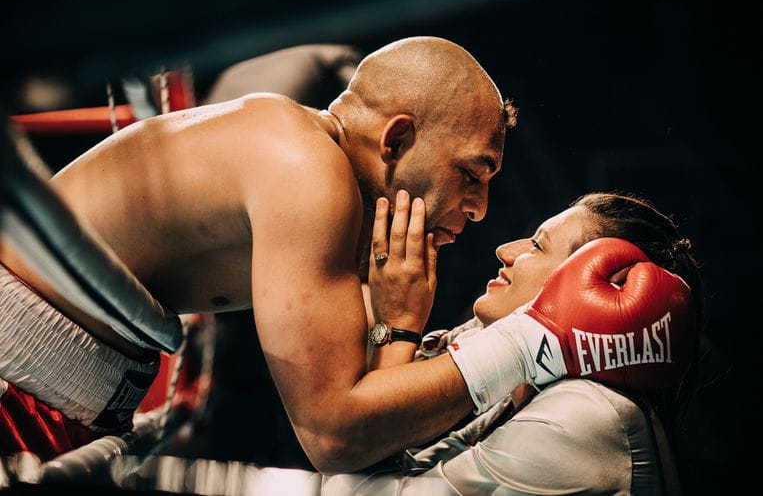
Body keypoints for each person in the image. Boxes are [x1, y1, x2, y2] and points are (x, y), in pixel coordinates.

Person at [0, 36, 515, 469]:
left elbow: (373, 413)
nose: (479, 209)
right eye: (470, 173)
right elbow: (336, 436)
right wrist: (523, 347)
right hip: (20, 375)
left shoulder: (323, 194)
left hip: (54, 389)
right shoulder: (308, 171)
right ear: (397, 139)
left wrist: (399, 323)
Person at [115, 191, 700, 495]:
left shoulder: (587, 415)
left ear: (598, 289)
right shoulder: (524, 391)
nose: (507, 250)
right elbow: (386, 448)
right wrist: (390, 327)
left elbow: (360, 478)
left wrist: (399, 328)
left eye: (538, 246)